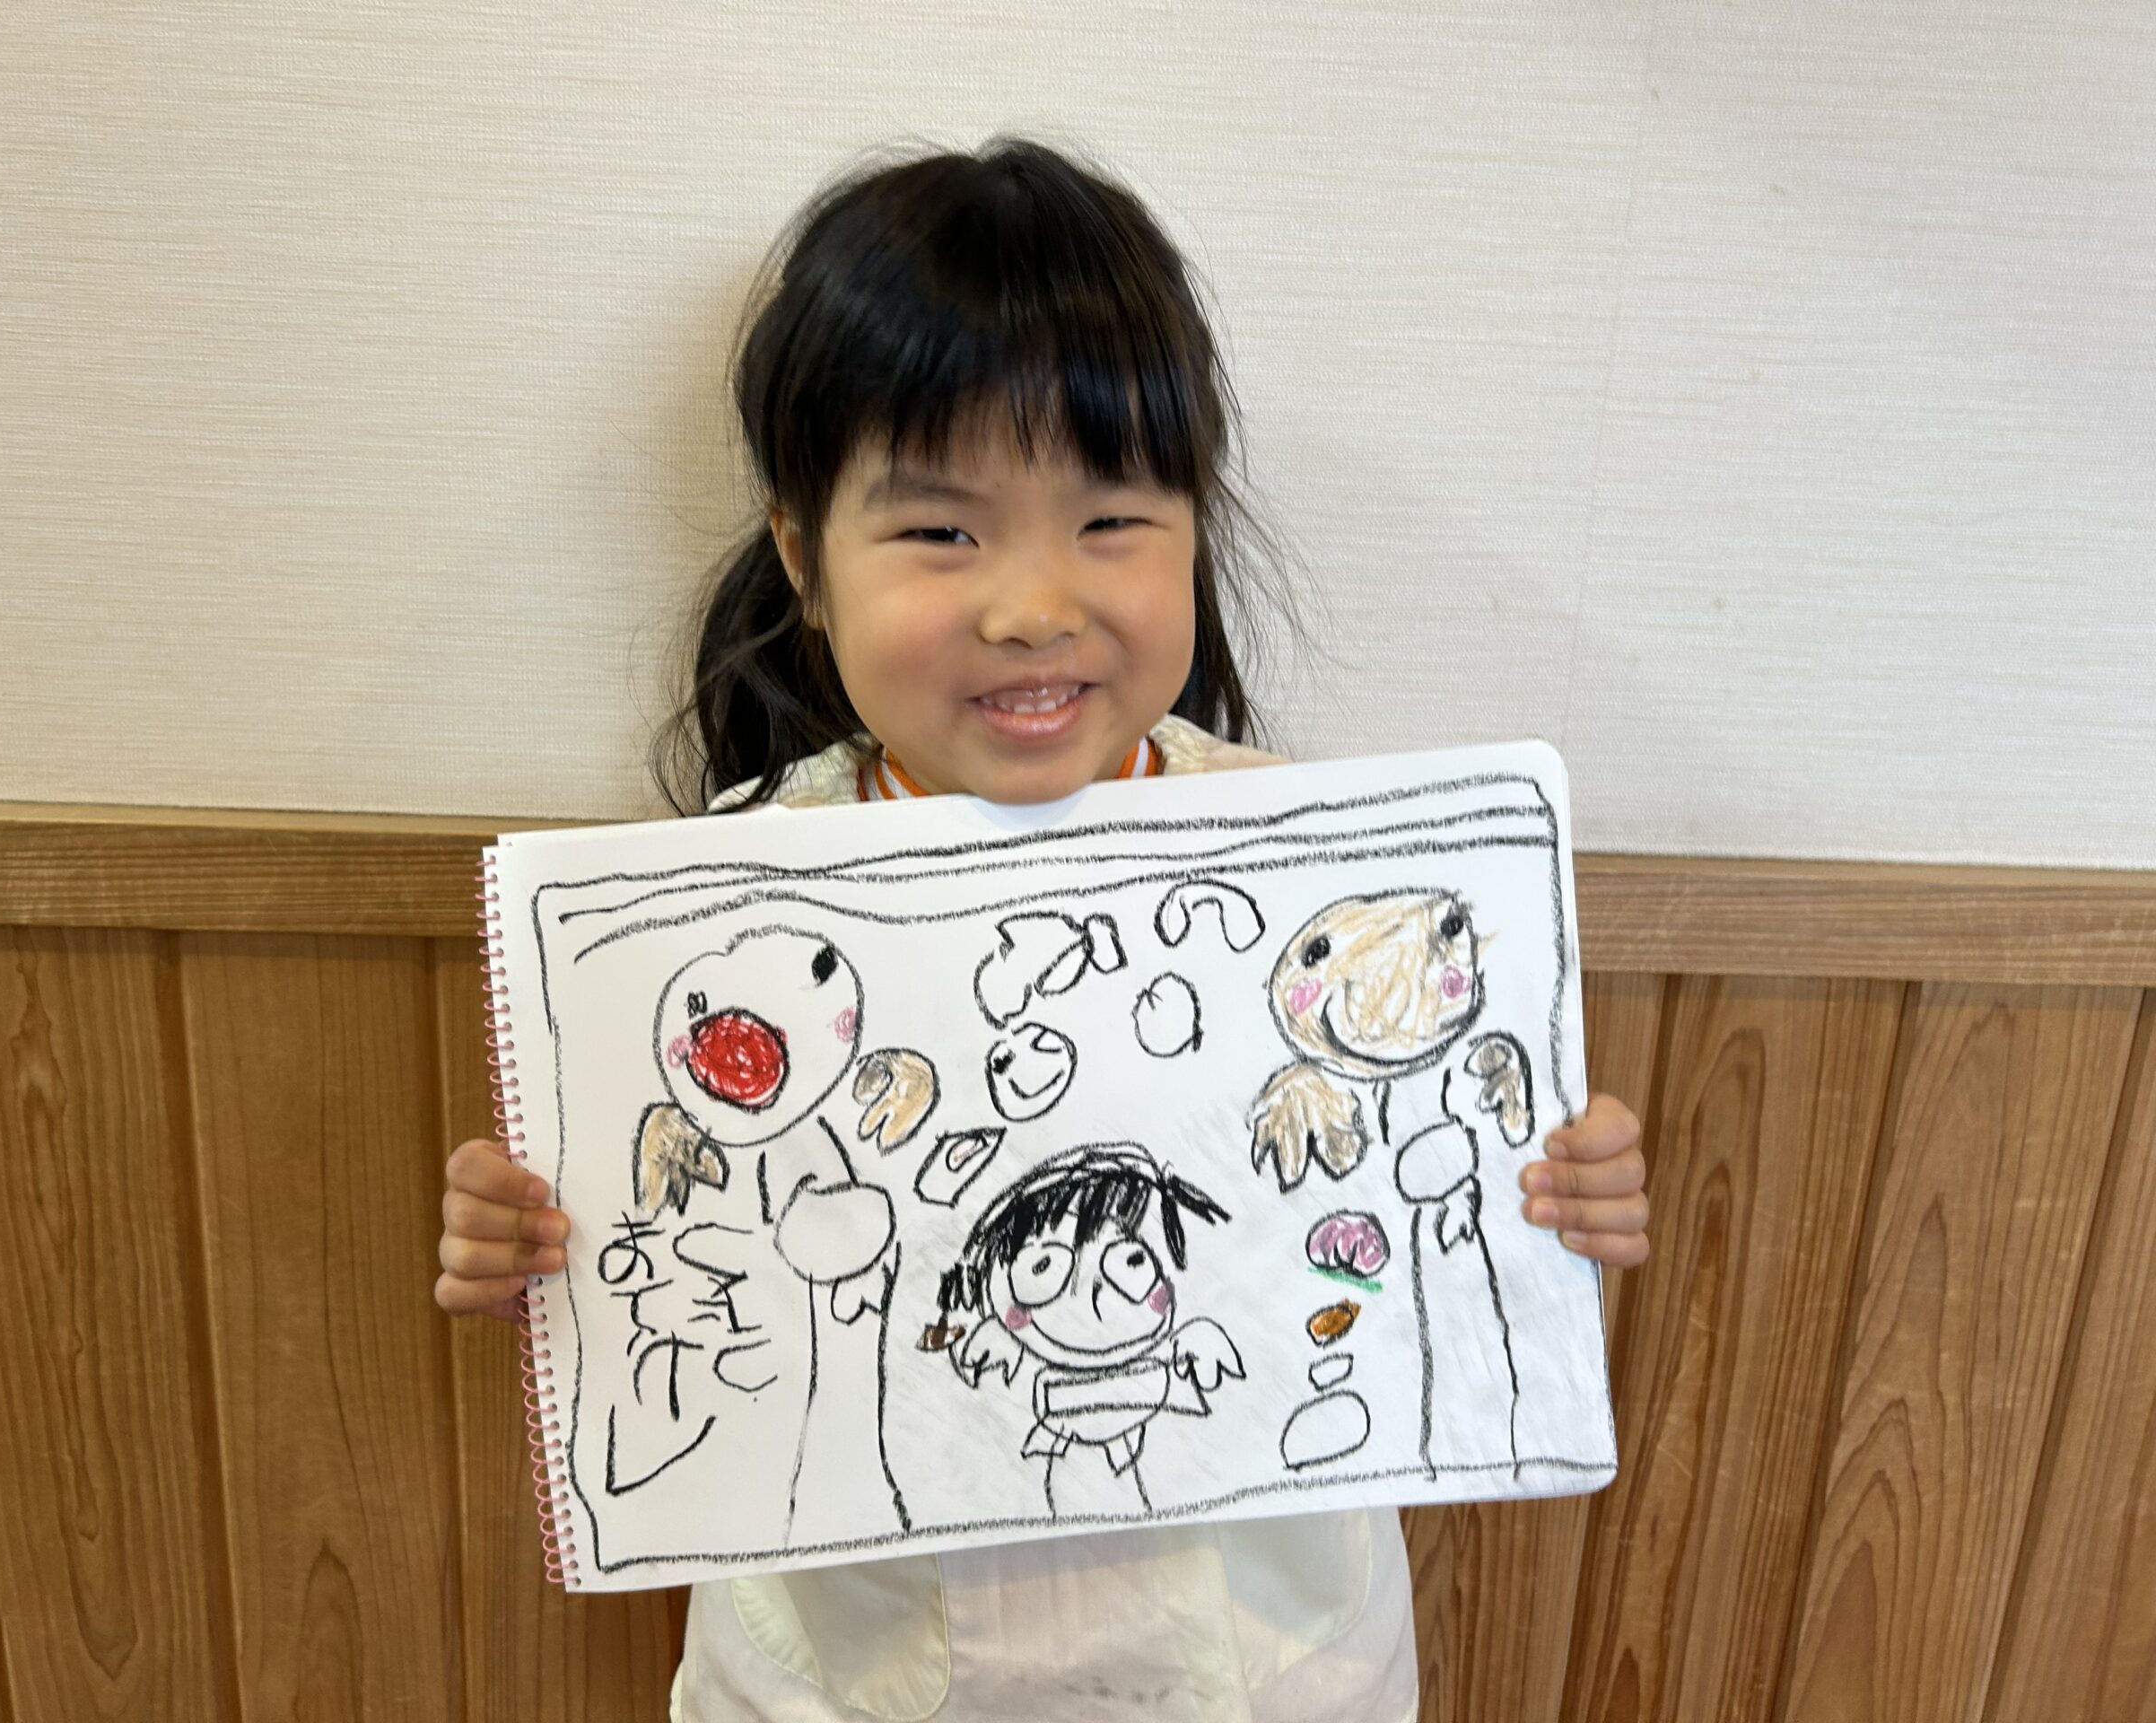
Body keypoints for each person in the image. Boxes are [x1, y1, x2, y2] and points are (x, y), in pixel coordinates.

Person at [435, 135, 1650, 1723]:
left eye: (1110, 520)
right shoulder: (723, 918)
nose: (1032, 607)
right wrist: (544, 1245)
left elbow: (1424, 1230)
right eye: (942, 533)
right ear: (805, 556)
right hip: (839, 1686)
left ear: (1194, 530)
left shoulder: (1315, 886)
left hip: (1269, 1676)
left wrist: (1554, 1197)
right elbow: (681, 1271)